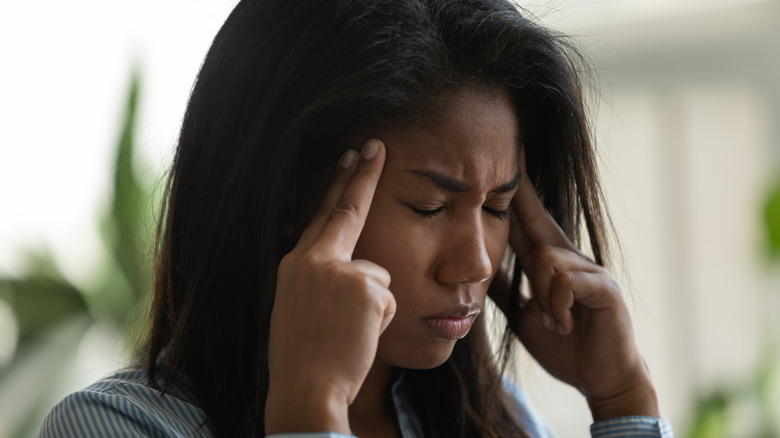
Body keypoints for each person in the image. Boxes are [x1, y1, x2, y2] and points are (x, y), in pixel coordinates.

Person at [38, 0, 674, 437]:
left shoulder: (494, 418)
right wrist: (310, 412)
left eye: (497, 207)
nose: (478, 264)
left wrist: (622, 396)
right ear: (286, 195)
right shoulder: (118, 427)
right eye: (429, 206)